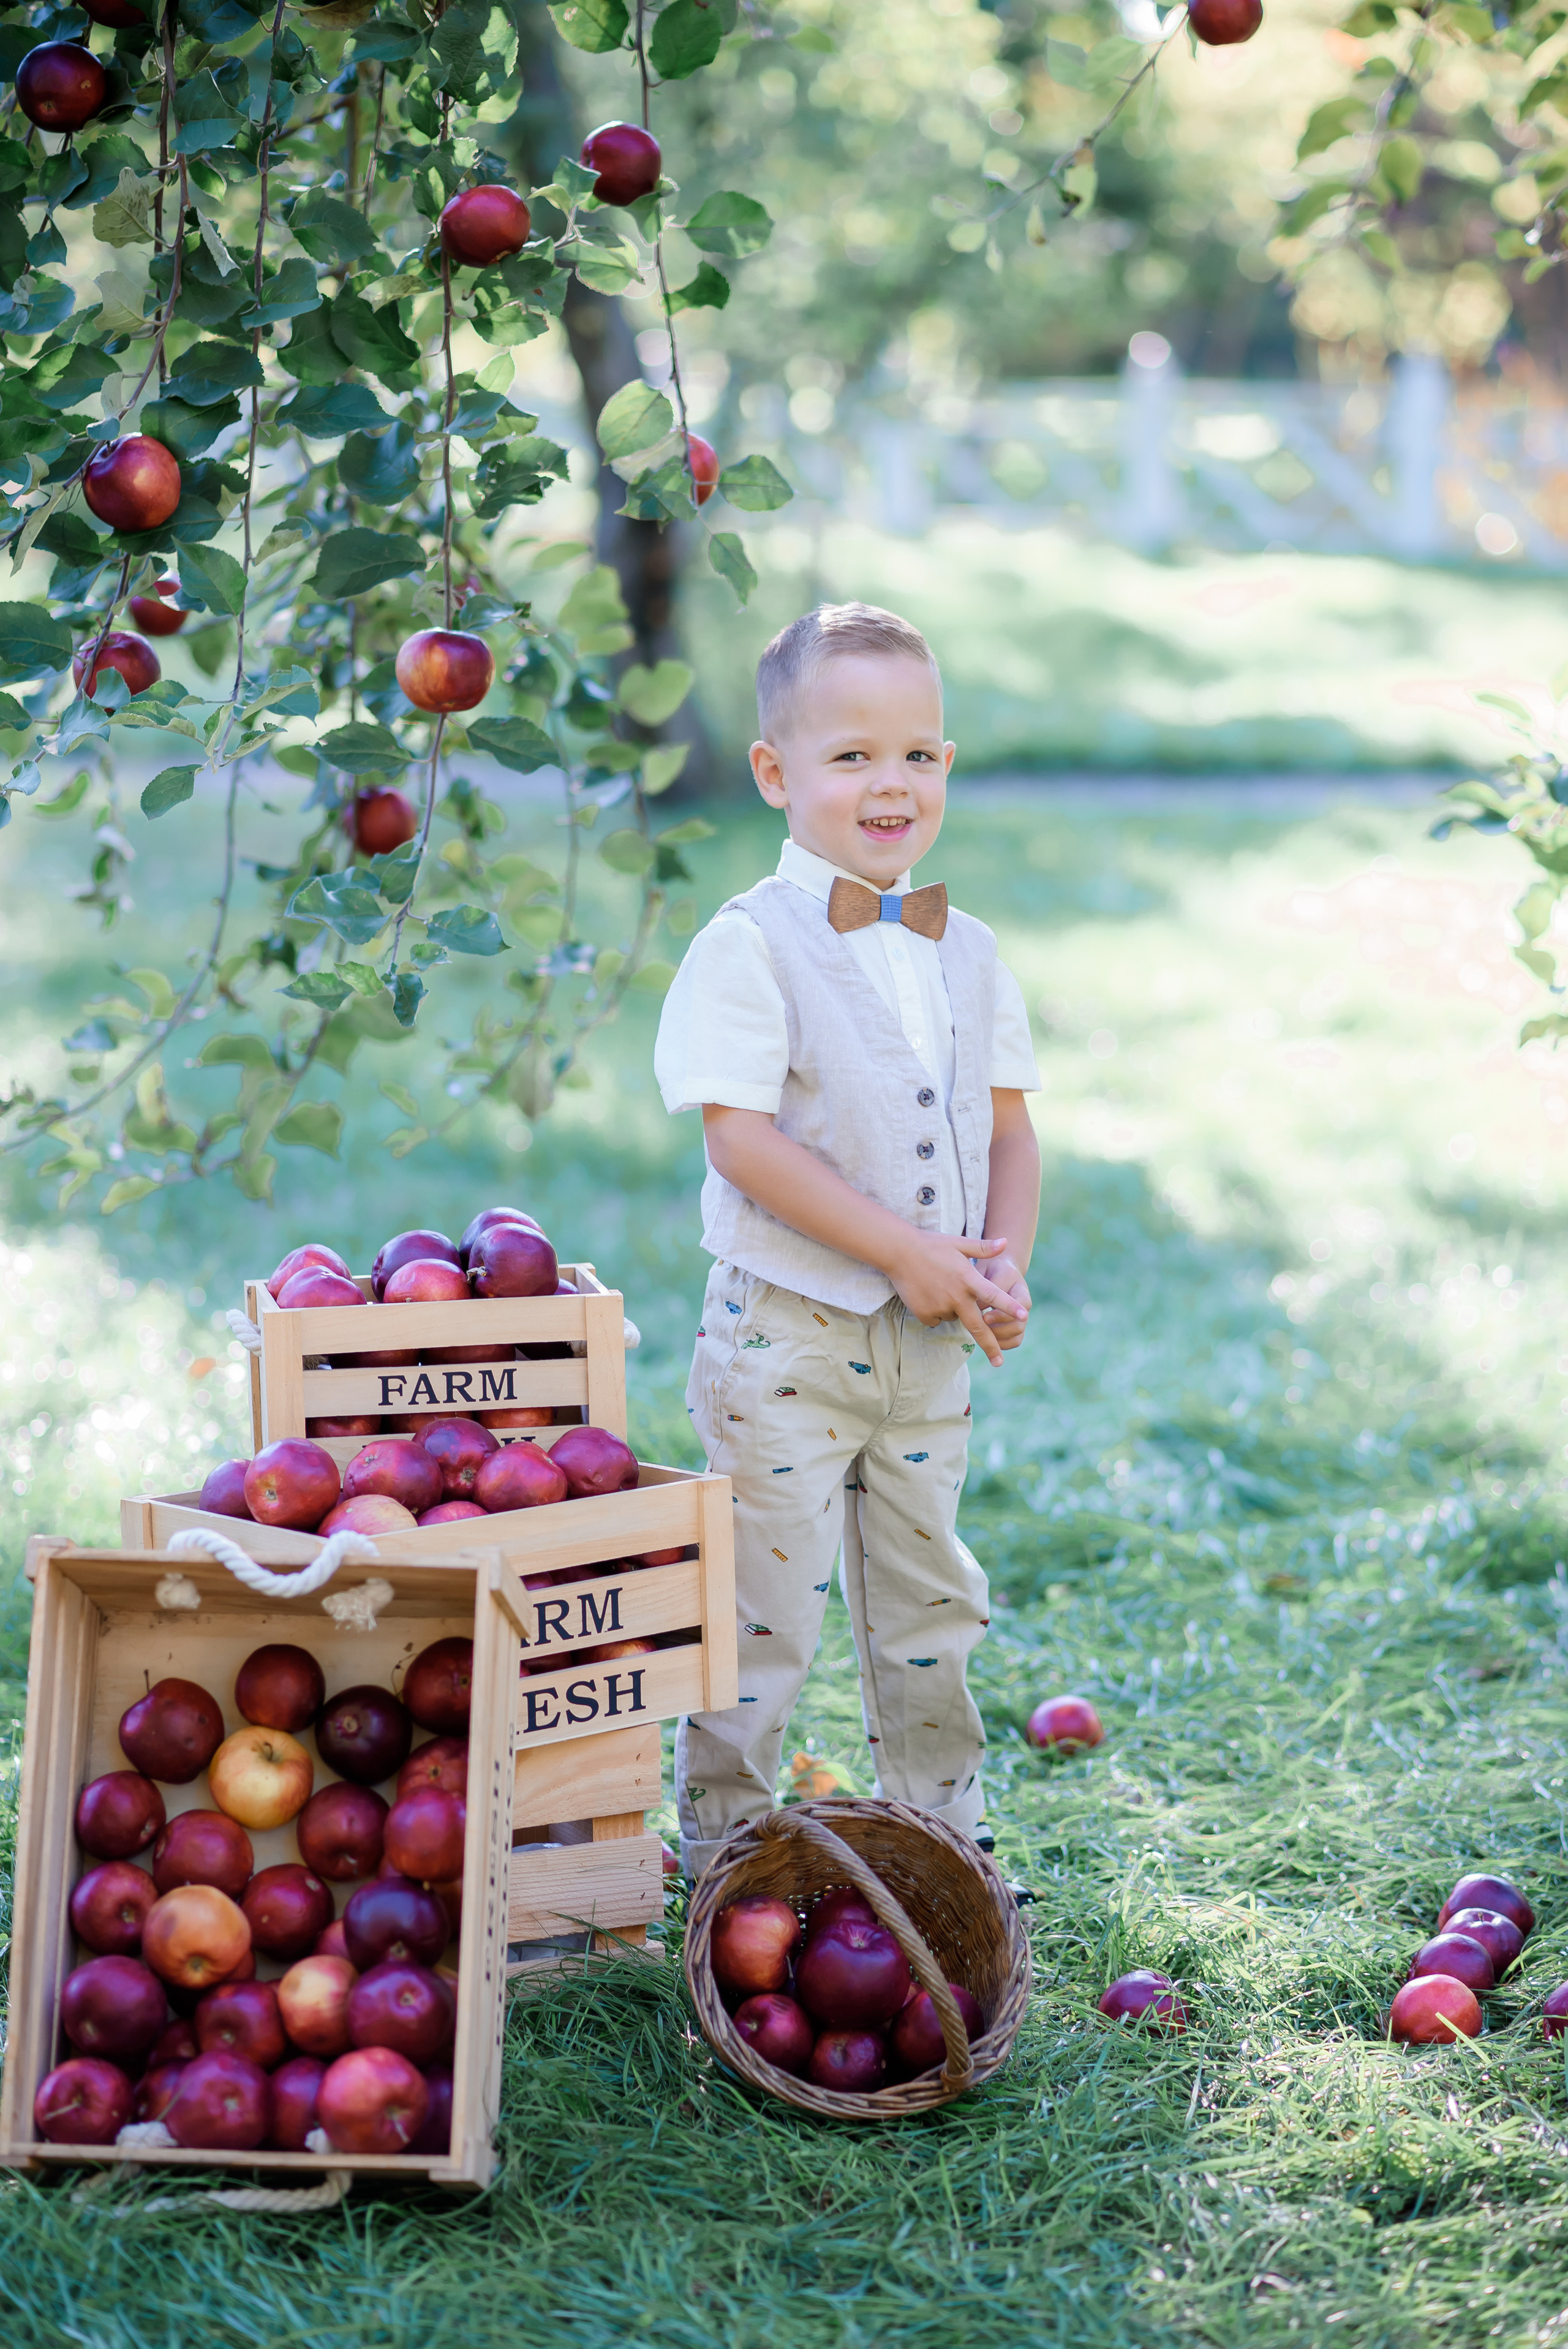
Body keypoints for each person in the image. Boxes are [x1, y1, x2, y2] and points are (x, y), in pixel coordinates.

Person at [654, 600, 1041, 1875]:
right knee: (762, 1611)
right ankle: (721, 1855)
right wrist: (899, 1250)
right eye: (852, 755)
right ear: (774, 773)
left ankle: (944, 1844)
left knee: (933, 1601)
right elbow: (742, 1142)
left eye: (919, 755)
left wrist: (997, 1258)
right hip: (787, 1341)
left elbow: (1007, 1130)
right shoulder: (745, 947)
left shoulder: (968, 952)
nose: (892, 784)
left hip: (928, 1347)